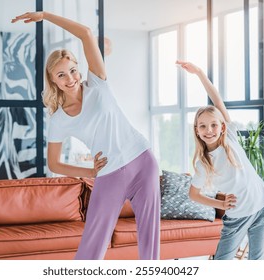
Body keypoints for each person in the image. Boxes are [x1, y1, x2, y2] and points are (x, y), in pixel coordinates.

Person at [12, 11, 160, 260]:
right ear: (53, 81)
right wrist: (90, 172)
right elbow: (54, 163)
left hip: (143, 160)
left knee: (149, 237)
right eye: (61, 75)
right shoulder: (59, 119)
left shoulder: (98, 83)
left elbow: (86, 34)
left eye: (72, 70)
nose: (70, 79)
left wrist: (45, 15)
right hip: (109, 173)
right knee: (93, 244)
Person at [176, 61, 264, 260]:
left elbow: (217, 99)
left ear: (222, 126)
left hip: (262, 207)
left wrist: (200, 73)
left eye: (213, 125)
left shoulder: (230, 138)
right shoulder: (203, 163)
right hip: (237, 217)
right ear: (197, 130)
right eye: (202, 126)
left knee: (258, 261)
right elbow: (194, 194)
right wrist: (219, 205)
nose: (209, 130)